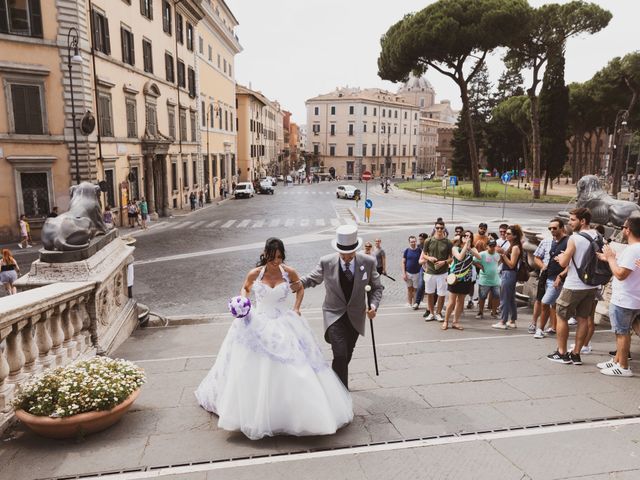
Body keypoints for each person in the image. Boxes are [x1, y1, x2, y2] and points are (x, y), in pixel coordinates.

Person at [195, 238, 352, 440]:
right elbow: (245, 287)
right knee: (250, 366)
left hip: (283, 321)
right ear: (266, 254)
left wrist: (296, 307)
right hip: (258, 321)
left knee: (296, 367)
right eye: (273, 256)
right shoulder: (255, 273)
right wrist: (243, 302)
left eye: (280, 256)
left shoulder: (289, 272)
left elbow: (300, 288)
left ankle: (294, 413)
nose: (277, 260)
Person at [294, 225, 384, 389]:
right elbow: (310, 279)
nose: (346, 257)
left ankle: (333, 381)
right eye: (343, 253)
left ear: (356, 249)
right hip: (333, 314)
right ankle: (341, 392)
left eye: (350, 253)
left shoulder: (368, 262)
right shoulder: (326, 262)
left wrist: (372, 306)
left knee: (347, 354)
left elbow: (377, 287)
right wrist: (293, 283)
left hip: (356, 317)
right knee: (340, 354)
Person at [547, 208, 600, 366]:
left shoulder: (574, 239)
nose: (569, 222)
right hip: (591, 285)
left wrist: (561, 257)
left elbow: (564, 263)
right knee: (583, 318)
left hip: (574, 285)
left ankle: (562, 353)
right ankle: (576, 354)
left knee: (561, 316)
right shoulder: (597, 235)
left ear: (582, 221)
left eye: (572, 219)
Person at [596, 216, 640, 377]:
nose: (622, 229)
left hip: (624, 299)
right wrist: (606, 257)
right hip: (633, 298)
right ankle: (616, 360)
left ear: (628, 230)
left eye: (623, 227)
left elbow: (621, 274)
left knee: (622, 332)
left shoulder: (633, 250)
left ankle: (623, 366)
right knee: (622, 332)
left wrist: (610, 258)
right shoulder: (634, 249)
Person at [534, 218, 568, 339]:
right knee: (552, 305)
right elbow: (537, 257)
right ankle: (554, 328)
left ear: (562, 228)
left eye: (555, 228)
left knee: (545, 302)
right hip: (548, 277)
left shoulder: (568, 242)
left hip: (558, 280)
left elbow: (572, 264)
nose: (552, 230)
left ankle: (540, 329)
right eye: (550, 228)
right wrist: (544, 267)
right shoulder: (552, 242)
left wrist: (560, 276)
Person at [442, 231, 477, 330]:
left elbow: (479, 257)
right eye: (465, 236)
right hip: (455, 278)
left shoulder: (472, 249)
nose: (467, 237)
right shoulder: (455, 248)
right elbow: (460, 257)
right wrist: (466, 246)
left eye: (469, 236)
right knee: (452, 301)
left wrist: (470, 249)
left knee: (460, 301)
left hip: (466, 278)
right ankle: (446, 321)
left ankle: (455, 322)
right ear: (461, 237)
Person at [493, 225, 524, 329]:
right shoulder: (512, 245)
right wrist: (502, 253)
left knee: (504, 298)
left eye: (509, 233)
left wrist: (503, 254)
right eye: (506, 233)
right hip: (509, 273)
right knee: (510, 298)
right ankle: (512, 320)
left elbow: (511, 264)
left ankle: (503, 321)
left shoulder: (515, 247)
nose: (506, 235)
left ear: (515, 236)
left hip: (509, 274)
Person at [420, 220, 452, 322]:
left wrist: (444, 262)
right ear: (434, 228)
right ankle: (431, 313)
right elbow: (424, 254)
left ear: (444, 229)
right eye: (437, 228)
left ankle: (438, 313)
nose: (439, 230)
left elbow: (451, 258)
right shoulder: (428, 241)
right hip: (430, 272)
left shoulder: (448, 242)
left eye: (441, 228)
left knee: (441, 294)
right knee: (429, 293)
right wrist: (429, 258)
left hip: (443, 272)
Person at [476, 238, 501, 319]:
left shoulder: (497, 254)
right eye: (490, 246)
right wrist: (480, 266)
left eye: (494, 245)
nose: (492, 247)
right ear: (487, 246)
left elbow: (500, 261)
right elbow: (473, 260)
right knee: (482, 297)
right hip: (484, 280)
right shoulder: (482, 254)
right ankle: (480, 312)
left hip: (495, 280)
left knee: (496, 297)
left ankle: (494, 312)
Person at [402, 235, 422, 308]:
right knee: (409, 288)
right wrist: (404, 273)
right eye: (411, 242)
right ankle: (409, 303)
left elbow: (422, 260)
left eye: (414, 241)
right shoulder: (406, 251)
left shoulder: (419, 250)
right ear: (409, 242)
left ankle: (415, 303)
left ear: (416, 241)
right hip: (408, 273)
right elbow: (403, 262)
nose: (413, 243)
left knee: (415, 289)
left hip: (417, 273)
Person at [414, 233, 428, 310]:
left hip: (431, 269)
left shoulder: (429, 245)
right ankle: (417, 302)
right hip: (423, 267)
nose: (420, 241)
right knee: (421, 285)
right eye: (419, 239)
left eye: (421, 239)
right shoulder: (419, 247)